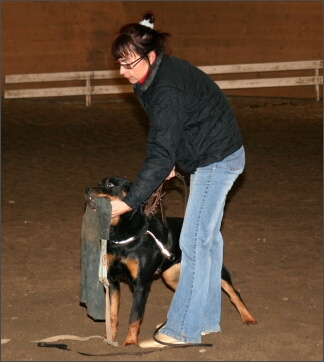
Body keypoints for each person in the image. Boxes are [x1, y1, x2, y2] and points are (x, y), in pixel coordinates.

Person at [110, 12, 245, 348]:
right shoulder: (155, 75)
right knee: (209, 241)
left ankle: (182, 329)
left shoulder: (165, 87)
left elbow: (159, 149)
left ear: (150, 55)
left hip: (216, 161)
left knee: (194, 242)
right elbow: (178, 127)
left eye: (128, 64)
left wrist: (128, 201)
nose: (122, 72)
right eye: (119, 64)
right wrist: (175, 159)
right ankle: (206, 317)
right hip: (215, 153)